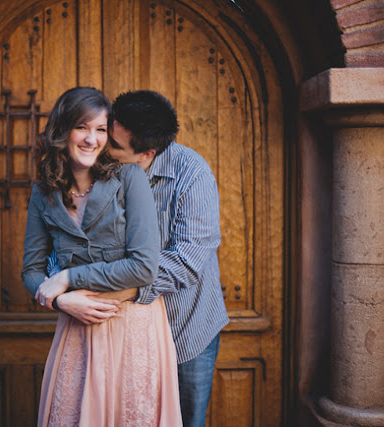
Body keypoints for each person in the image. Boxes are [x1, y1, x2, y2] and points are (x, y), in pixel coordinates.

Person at [21, 87, 182, 427]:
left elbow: (143, 266)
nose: (91, 139)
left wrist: (67, 279)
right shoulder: (43, 192)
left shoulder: (129, 178)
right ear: (63, 130)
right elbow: (32, 271)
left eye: (101, 129)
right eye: (82, 127)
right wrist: (62, 303)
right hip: (76, 329)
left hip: (133, 326)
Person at [107, 90, 230, 427]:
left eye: (115, 146)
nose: (105, 148)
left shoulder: (193, 174)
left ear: (146, 153)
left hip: (185, 330)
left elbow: (187, 260)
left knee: (187, 422)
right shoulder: (106, 169)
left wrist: (117, 287)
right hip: (123, 330)